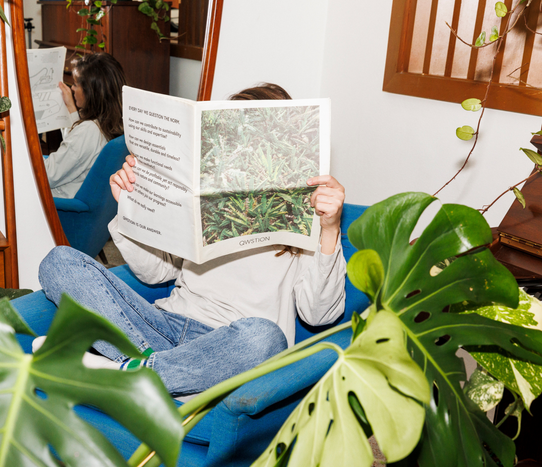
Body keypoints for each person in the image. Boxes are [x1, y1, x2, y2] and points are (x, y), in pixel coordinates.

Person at [37, 83, 346, 397]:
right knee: (59, 262)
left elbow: (319, 315)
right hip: (164, 328)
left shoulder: (308, 217)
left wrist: (330, 229)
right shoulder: (203, 195)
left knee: (265, 338)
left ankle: (123, 368)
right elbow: (157, 274)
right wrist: (131, 206)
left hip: (230, 349)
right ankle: (143, 371)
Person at [44, 53, 127, 199]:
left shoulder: (88, 132)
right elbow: (77, 150)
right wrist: (71, 107)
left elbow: (47, 175)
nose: (72, 89)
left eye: (76, 84)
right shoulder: (113, 124)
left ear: (91, 92)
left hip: (60, 206)